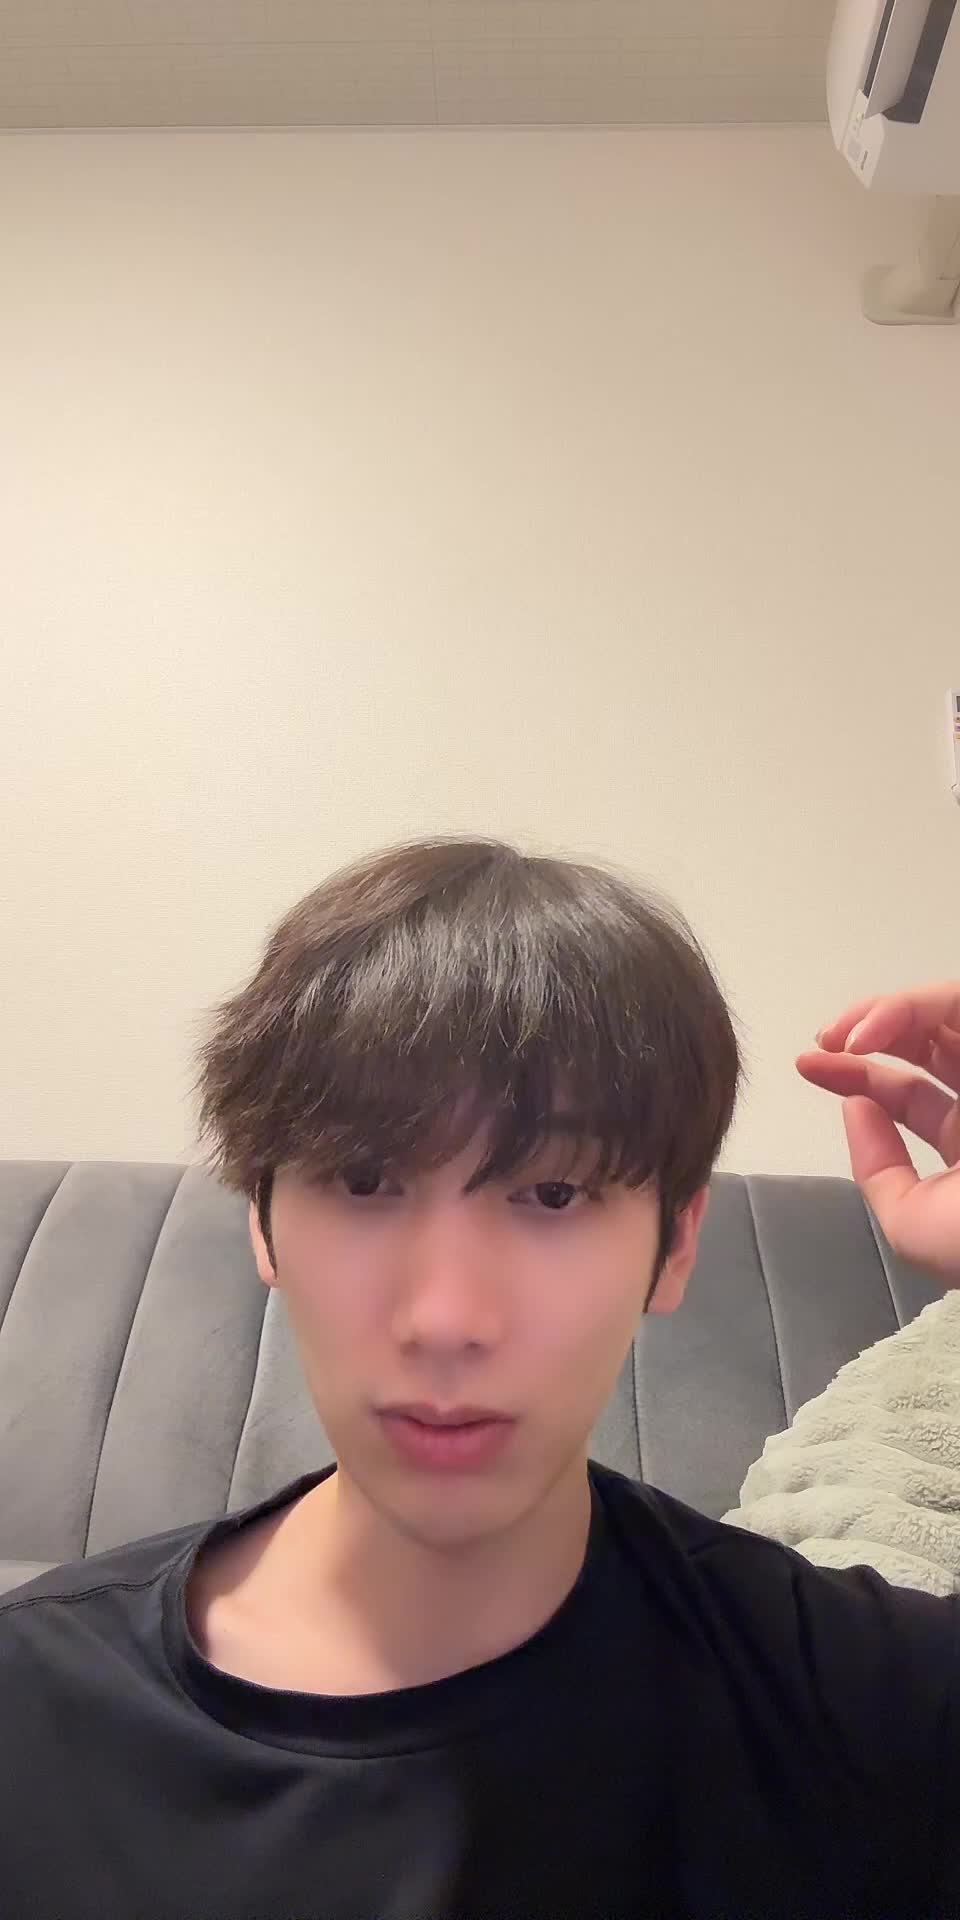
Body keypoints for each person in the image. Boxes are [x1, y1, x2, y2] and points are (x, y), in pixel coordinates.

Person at [1, 833, 958, 1920]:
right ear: (262, 1219)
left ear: (677, 1243)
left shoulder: (862, 1702)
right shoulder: (33, 1708)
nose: (448, 1318)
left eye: (553, 1195)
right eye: (365, 1180)